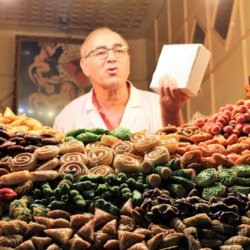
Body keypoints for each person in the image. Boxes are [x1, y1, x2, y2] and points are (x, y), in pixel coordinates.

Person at [53, 27, 190, 134]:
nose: (112, 58)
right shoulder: (67, 117)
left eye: (119, 51)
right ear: (84, 66)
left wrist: (172, 113)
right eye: (101, 53)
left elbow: (179, 158)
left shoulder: (157, 105)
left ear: (129, 61)